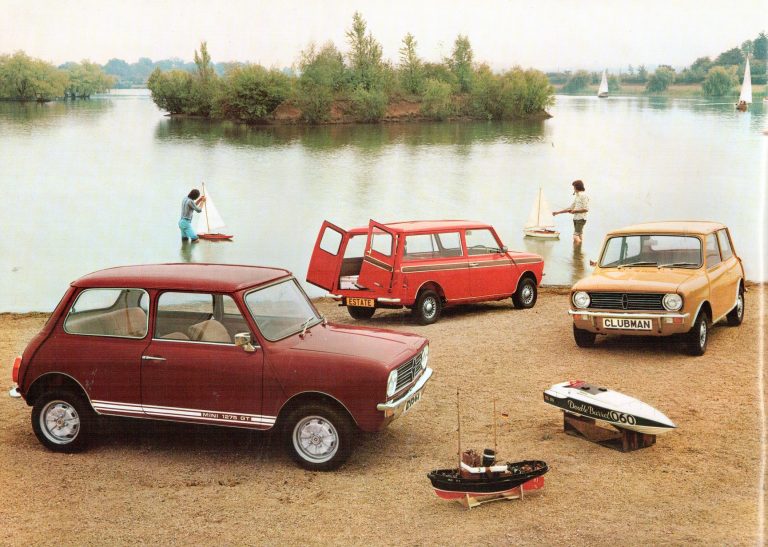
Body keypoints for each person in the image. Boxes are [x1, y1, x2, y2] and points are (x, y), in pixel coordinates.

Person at [553, 180, 589, 244]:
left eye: (574, 187)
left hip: (581, 219)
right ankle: (579, 249)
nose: (573, 189)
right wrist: (557, 212)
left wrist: (575, 211)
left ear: (577, 187)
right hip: (576, 219)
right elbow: (570, 208)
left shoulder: (583, 196)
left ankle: (579, 247)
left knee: (575, 237)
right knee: (579, 235)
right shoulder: (577, 196)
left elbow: (586, 209)